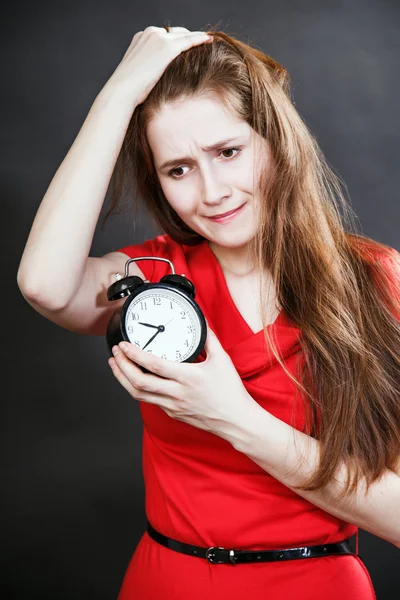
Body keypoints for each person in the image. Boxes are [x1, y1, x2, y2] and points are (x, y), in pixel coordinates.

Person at [17, 25, 400, 600]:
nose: (212, 191)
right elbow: (45, 285)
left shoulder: (376, 279)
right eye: (178, 169)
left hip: (314, 584)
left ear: (277, 140)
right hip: (165, 582)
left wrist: (231, 416)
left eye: (228, 152)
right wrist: (118, 96)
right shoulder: (153, 277)